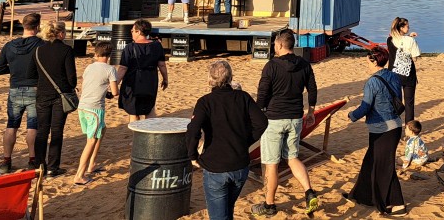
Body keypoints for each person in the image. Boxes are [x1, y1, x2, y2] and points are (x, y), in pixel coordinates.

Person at [187, 60, 268, 220]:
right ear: (230, 77)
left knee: (219, 215)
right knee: (226, 211)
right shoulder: (242, 97)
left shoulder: (205, 102)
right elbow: (261, 122)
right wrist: (245, 141)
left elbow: (193, 130)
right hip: (239, 164)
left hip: (217, 167)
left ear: (210, 79)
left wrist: (192, 156)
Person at [252, 29, 320, 217]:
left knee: (272, 164)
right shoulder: (304, 64)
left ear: (281, 45)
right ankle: (309, 192)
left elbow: (262, 93)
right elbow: (312, 89)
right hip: (295, 118)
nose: (274, 46)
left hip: (274, 119)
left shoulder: (271, 66)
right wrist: (311, 111)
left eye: (275, 43)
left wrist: (258, 113)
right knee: (292, 158)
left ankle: (269, 205)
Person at [347, 47, 407, 217]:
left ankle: (398, 205)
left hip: (384, 130)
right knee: (369, 162)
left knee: (385, 166)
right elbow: (398, 100)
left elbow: (365, 107)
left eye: (367, 60)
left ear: (374, 61)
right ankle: (361, 196)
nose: (366, 63)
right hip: (393, 126)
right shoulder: (393, 76)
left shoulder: (372, 82)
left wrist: (351, 115)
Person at [0, 12, 42, 174]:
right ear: (37, 27)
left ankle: (6, 160)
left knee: (11, 125)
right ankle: (32, 159)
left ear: (24, 25)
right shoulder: (40, 45)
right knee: (32, 126)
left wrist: (14, 68)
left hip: (15, 88)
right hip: (34, 88)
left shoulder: (9, 45)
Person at [27, 20, 76, 176]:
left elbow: (32, 74)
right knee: (56, 131)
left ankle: (40, 165)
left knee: (42, 131)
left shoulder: (38, 50)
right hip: (60, 95)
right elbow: (71, 78)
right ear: (61, 33)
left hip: (42, 94)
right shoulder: (66, 50)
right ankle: (53, 167)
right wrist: (70, 86)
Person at [73, 41, 119, 185]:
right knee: (91, 140)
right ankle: (79, 175)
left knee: (102, 130)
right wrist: (110, 94)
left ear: (96, 53)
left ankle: (92, 164)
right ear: (109, 55)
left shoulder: (89, 67)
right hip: (95, 108)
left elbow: (88, 84)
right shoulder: (110, 69)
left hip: (83, 106)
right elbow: (115, 92)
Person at [116, 19, 168, 121]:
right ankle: (150, 135)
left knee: (133, 112)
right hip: (150, 81)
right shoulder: (157, 45)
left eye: (132, 31)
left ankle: (136, 136)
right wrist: (165, 79)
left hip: (133, 82)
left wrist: (115, 83)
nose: (131, 33)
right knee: (149, 109)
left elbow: (123, 68)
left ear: (138, 32)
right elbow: (162, 65)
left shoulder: (130, 47)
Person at [387, 17, 421, 122]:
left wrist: (408, 37)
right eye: (407, 26)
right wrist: (410, 39)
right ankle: (409, 129)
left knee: (395, 102)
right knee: (409, 104)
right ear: (401, 27)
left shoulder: (390, 40)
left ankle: (394, 127)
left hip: (394, 74)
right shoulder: (410, 41)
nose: (409, 28)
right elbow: (415, 58)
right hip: (408, 75)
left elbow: (400, 42)